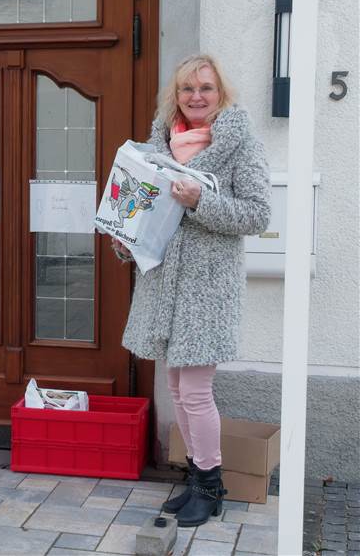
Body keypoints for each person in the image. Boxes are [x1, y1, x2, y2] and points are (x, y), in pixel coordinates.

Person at [112, 54, 271, 527]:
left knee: (196, 392)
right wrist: (124, 238)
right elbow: (141, 218)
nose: (196, 96)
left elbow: (257, 215)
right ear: (174, 96)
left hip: (206, 290)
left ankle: (210, 486)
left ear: (221, 92)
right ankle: (198, 479)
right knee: (179, 389)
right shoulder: (153, 147)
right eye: (187, 89)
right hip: (162, 286)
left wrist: (201, 199)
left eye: (205, 88)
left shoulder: (240, 146)